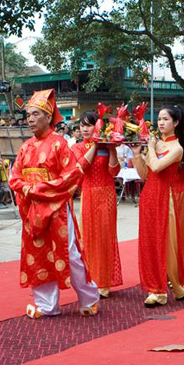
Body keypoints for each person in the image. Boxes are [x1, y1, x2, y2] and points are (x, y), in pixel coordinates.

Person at [8, 89, 99, 318]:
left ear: (48, 117)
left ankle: (89, 299)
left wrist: (37, 189)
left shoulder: (60, 144)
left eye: (35, 114)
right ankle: (47, 305)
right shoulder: (26, 146)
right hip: (33, 210)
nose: (29, 119)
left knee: (70, 254)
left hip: (57, 210)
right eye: (28, 114)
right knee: (37, 254)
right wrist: (26, 189)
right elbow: (14, 176)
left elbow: (71, 176)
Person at [133, 107, 184, 307]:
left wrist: (151, 148)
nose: (160, 123)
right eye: (159, 119)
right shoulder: (157, 144)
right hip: (149, 197)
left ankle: (163, 289)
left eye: (165, 119)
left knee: (164, 244)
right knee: (149, 243)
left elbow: (158, 167)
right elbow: (145, 174)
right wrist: (137, 155)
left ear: (176, 123)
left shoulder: (177, 148)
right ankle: (158, 287)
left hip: (164, 198)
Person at [72, 111, 122, 298]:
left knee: (105, 236)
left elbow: (114, 171)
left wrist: (111, 149)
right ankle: (90, 280)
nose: (84, 129)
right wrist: (95, 144)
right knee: (88, 237)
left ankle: (104, 282)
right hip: (88, 195)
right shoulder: (77, 147)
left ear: (98, 126)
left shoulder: (107, 146)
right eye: (82, 126)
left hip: (107, 195)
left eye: (89, 125)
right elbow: (81, 167)